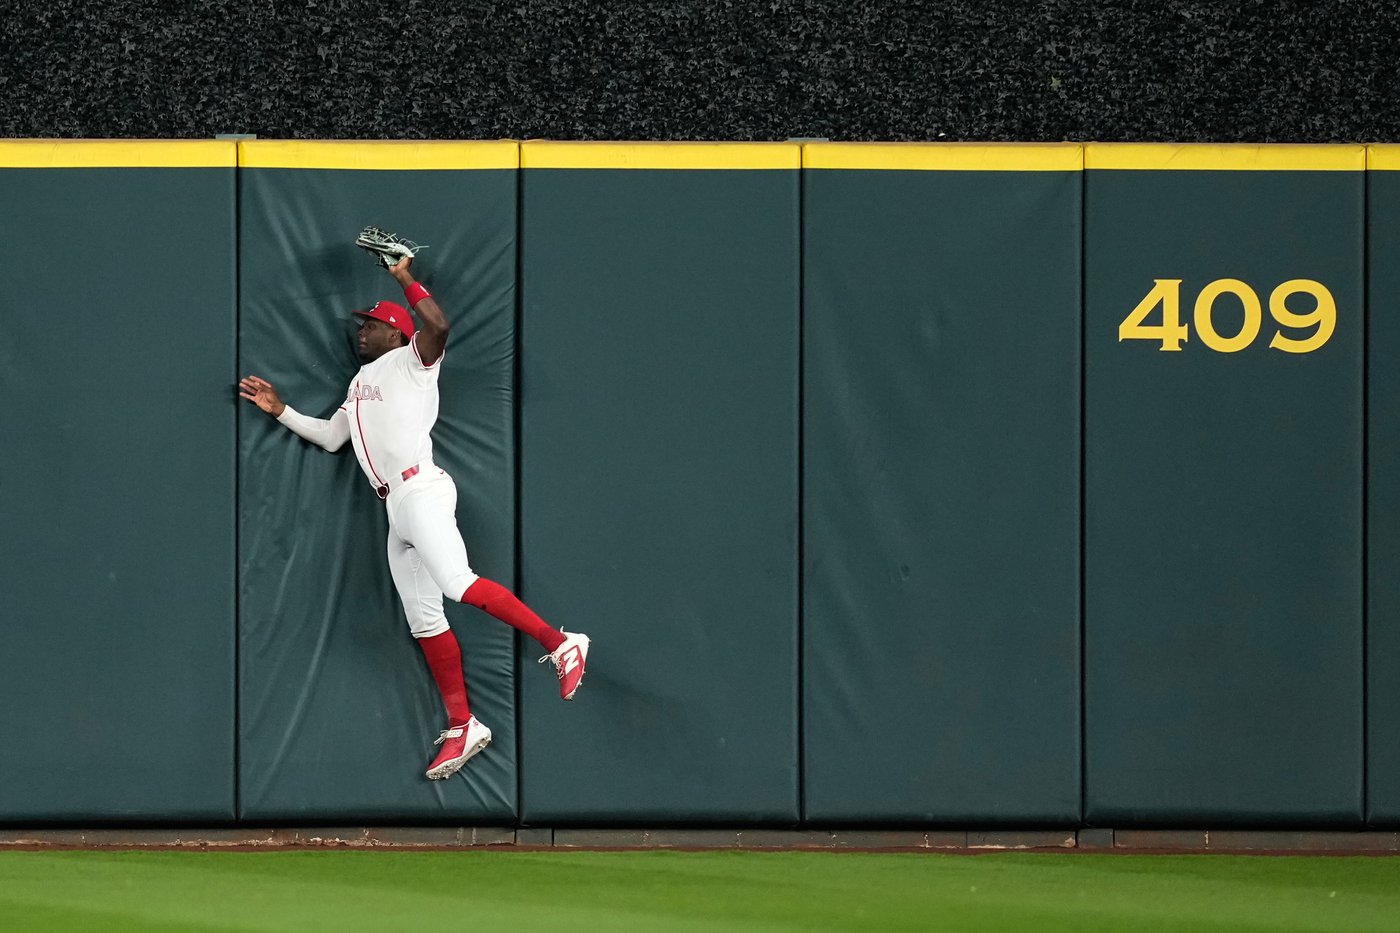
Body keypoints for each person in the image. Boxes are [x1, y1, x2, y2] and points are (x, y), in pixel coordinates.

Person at [238, 254, 589, 781]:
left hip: (420, 489)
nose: (362, 330)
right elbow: (335, 439)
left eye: (373, 324)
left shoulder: (413, 364)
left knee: (456, 583)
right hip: (394, 509)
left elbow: (439, 325)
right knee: (425, 621)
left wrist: (402, 277)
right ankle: (463, 723)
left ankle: (561, 644)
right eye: (363, 324)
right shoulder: (358, 384)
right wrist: (281, 410)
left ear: (397, 334)